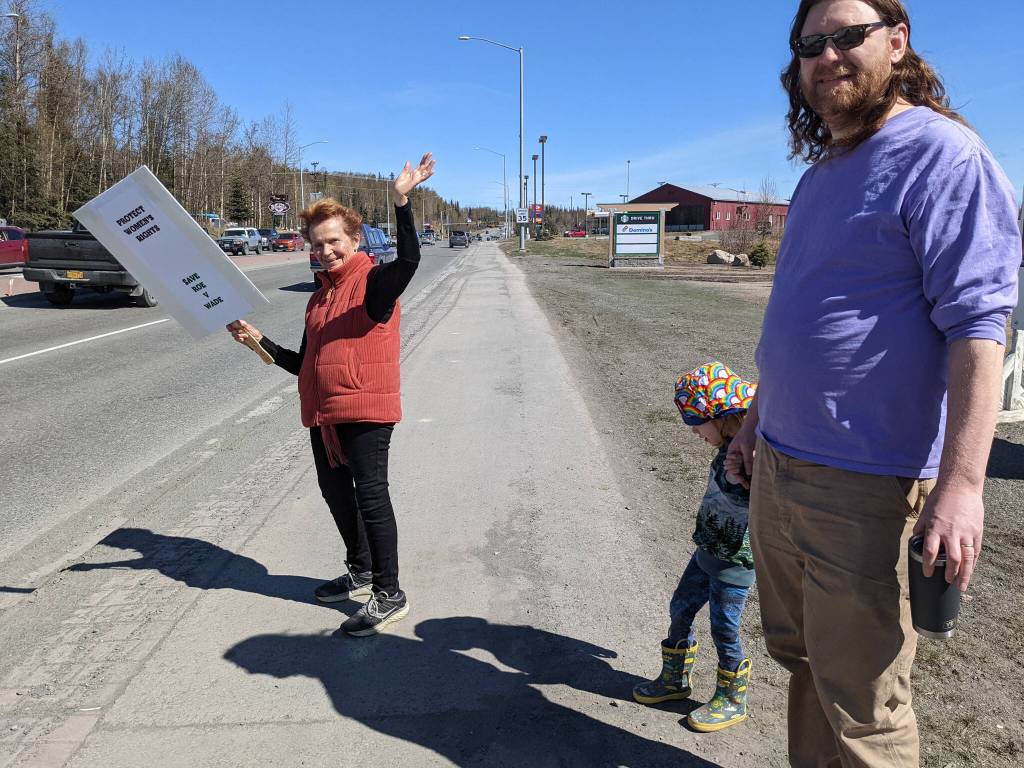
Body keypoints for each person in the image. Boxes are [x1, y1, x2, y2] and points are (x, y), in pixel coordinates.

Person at [725, 2, 1020, 765]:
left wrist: (962, 485)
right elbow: (800, 325)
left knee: (866, 705)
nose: (826, 56)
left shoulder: (945, 157)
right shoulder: (819, 177)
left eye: (845, 35)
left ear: (897, 40)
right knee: (804, 663)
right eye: (809, 44)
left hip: (865, 485)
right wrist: (756, 425)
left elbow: (980, 330)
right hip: (781, 467)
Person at [227, 152, 436, 637]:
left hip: (364, 408)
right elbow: (305, 364)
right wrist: (257, 342)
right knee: (335, 494)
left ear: (355, 239)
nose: (325, 252)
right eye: (317, 245)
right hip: (323, 414)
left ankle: (389, 592)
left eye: (334, 242)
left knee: (371, 498)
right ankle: (360, 569)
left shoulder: (374, 283)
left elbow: (409, 260)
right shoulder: (319, 297)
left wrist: (402, 201)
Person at [633, 362, 757, 732]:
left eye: (695, 424)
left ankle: (733, 698)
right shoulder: (731, 446)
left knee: (724, 627)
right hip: (707, 549)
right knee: (680, 607)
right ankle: (675, 680)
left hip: (735, 560)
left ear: (718, 416)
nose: (693, 433)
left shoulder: (755, 454)